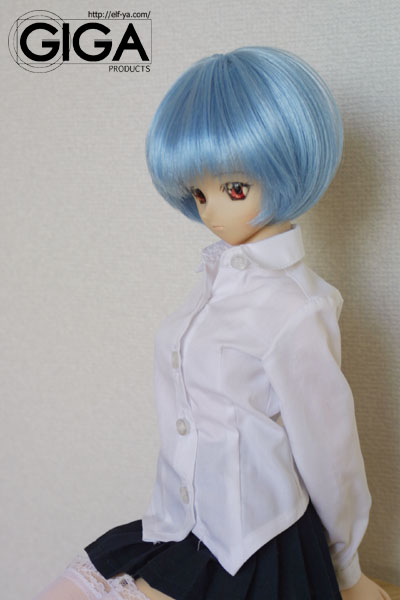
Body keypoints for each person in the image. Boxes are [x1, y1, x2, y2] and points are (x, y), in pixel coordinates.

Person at [33, 46, 390, 600]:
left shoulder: (298, 308)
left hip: (256, 545)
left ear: (288, 167)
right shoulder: (216, 281)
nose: (211, 211)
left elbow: (331, 456)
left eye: (234, 189)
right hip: (181, 526)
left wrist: (347, 571)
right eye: (199, 193)